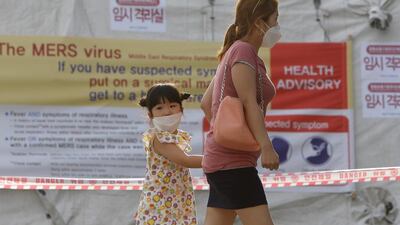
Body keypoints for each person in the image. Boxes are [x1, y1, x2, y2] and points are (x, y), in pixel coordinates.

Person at [200, 0, 281, 224]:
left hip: (223, 162)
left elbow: (207, 104)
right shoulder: (243, 51)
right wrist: (265, 146)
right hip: (233, 164)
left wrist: (230, 133)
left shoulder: (236, 52)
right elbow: (249, 102)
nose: (278, 27)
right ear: (259, 23)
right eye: (275, 20)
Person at [134, 83, 203, 225]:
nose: (167, 112)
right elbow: (187, 160)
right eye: (159, 108)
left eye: (172, 106)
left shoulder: (172, 136)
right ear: (150, 115)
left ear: (181, 109)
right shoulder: (160, 138)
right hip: (161, 208)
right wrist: (220, 159)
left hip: (174, 203)